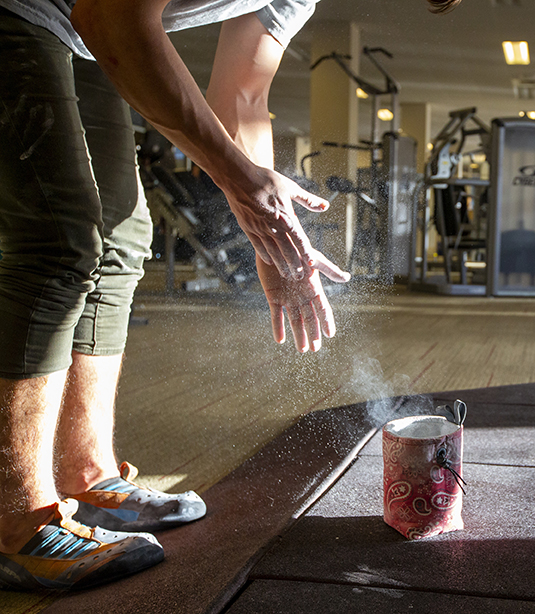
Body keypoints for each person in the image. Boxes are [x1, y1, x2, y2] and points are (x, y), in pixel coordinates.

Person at [0, 0, 463, 591]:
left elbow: (241, 99)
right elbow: (113, 15)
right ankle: (16, 521)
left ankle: (84, 473)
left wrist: (269, 241)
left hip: (80, 28)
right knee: (59, 235)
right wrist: (238, 180)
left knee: (124, 236)